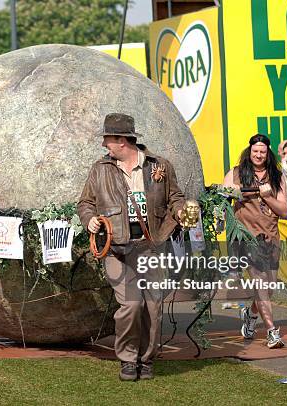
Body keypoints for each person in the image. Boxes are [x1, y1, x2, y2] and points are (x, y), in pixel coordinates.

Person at [78, 113, 185, 381]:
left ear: (122, 141)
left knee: (152, 306)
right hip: (117, 249)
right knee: (131, 305)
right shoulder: (100, 169)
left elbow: (175, 197)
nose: (105, 145)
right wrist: (89, 219)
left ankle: (146, 360)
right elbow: (85, 203)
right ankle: (127, 360)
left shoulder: (159, 165)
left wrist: (183, 211)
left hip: (151, 247)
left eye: (108, 139)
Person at [223, 134, 287, 349]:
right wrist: (236, 193)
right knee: (260, 284)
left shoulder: (277, 177)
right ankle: (272, 331)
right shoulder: (236, 173)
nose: (258, 155)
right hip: (246, 238)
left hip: (270, 238)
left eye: (262, 152)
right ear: (249, 152)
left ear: (267, 153)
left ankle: (250, 316)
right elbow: (223, 195)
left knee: (268, 288)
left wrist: (268, 196)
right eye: (255, 151)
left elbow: (285, 210)